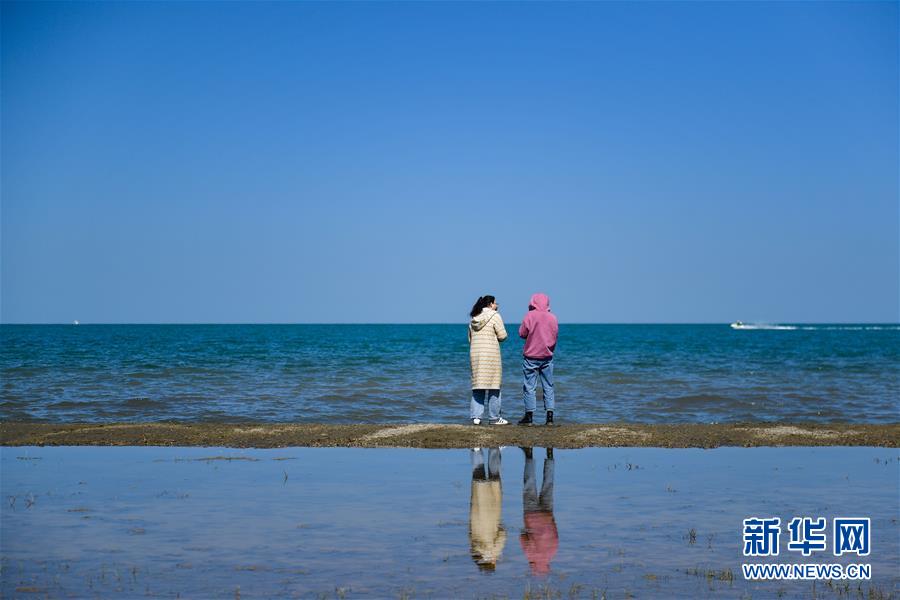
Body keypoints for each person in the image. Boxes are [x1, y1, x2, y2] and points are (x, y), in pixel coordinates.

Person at [517, 293, 559, 426]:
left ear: (533, 302)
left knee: (529, 387)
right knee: (548, 386)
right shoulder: (553, 317)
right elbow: (554, 335)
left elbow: (522, 333)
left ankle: (529, 417)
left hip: (531, 356)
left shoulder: (529, 316)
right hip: (547, 356)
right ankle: (550, 418)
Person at [468, 295, 509, 425]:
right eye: (496, 303)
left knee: (478, 386)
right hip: (491, 356)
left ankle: (476, 417)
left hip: (476, 355)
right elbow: (503, 336)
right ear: (491, 304)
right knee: (494, 386)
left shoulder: (474, 318)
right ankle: (494, 418)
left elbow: (470, 339)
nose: (497, 306)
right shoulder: (495, 315)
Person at [519, 447, 559, 576]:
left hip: (548, 514)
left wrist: (550, 519)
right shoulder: (532, 556)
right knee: (529, 484)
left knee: (549, 484)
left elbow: (556, 532)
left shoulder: (553, 551)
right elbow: (523, 538)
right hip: (531, 514)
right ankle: (529, 455)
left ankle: (550, 455)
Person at [469, 447, 507, 571]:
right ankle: (476, 450)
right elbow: (469, 531)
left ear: (491, 562)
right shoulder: (474, 547)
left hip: (492, 510)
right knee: (477, 472)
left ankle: (494, 449)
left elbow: (502, 535)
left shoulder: (493, 551)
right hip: (476, 509)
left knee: (494, 475)